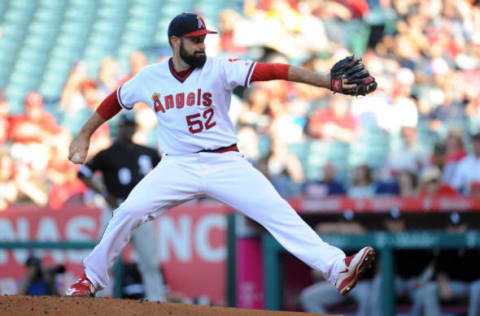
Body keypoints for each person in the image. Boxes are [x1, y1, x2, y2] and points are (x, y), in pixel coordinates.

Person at [66, 13, 376, 297]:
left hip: (225, 162)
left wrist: (328, 81)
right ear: (175, 41)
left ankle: (337, 268)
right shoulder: (150, 77)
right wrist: (84, 133)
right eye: (195, 40)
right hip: (177, 165)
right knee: (128, 211)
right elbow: (115, 101)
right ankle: (90, 279)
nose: (202, 45)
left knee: (278, 213)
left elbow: (276, 70)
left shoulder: (220, 67)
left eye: (204, 39)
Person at [77, 113, 166, 302]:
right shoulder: (107, 153)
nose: (129, 129)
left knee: (149, 260)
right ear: (120, 128)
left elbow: (166, 171)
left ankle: (157, 301)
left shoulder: (147, 152)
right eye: (126, 125)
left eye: (131, 125)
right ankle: (98, 300)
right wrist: (104, 193)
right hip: (115, 208)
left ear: (135, 127)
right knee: (104, 257)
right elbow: (83, 173)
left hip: (141, 210)